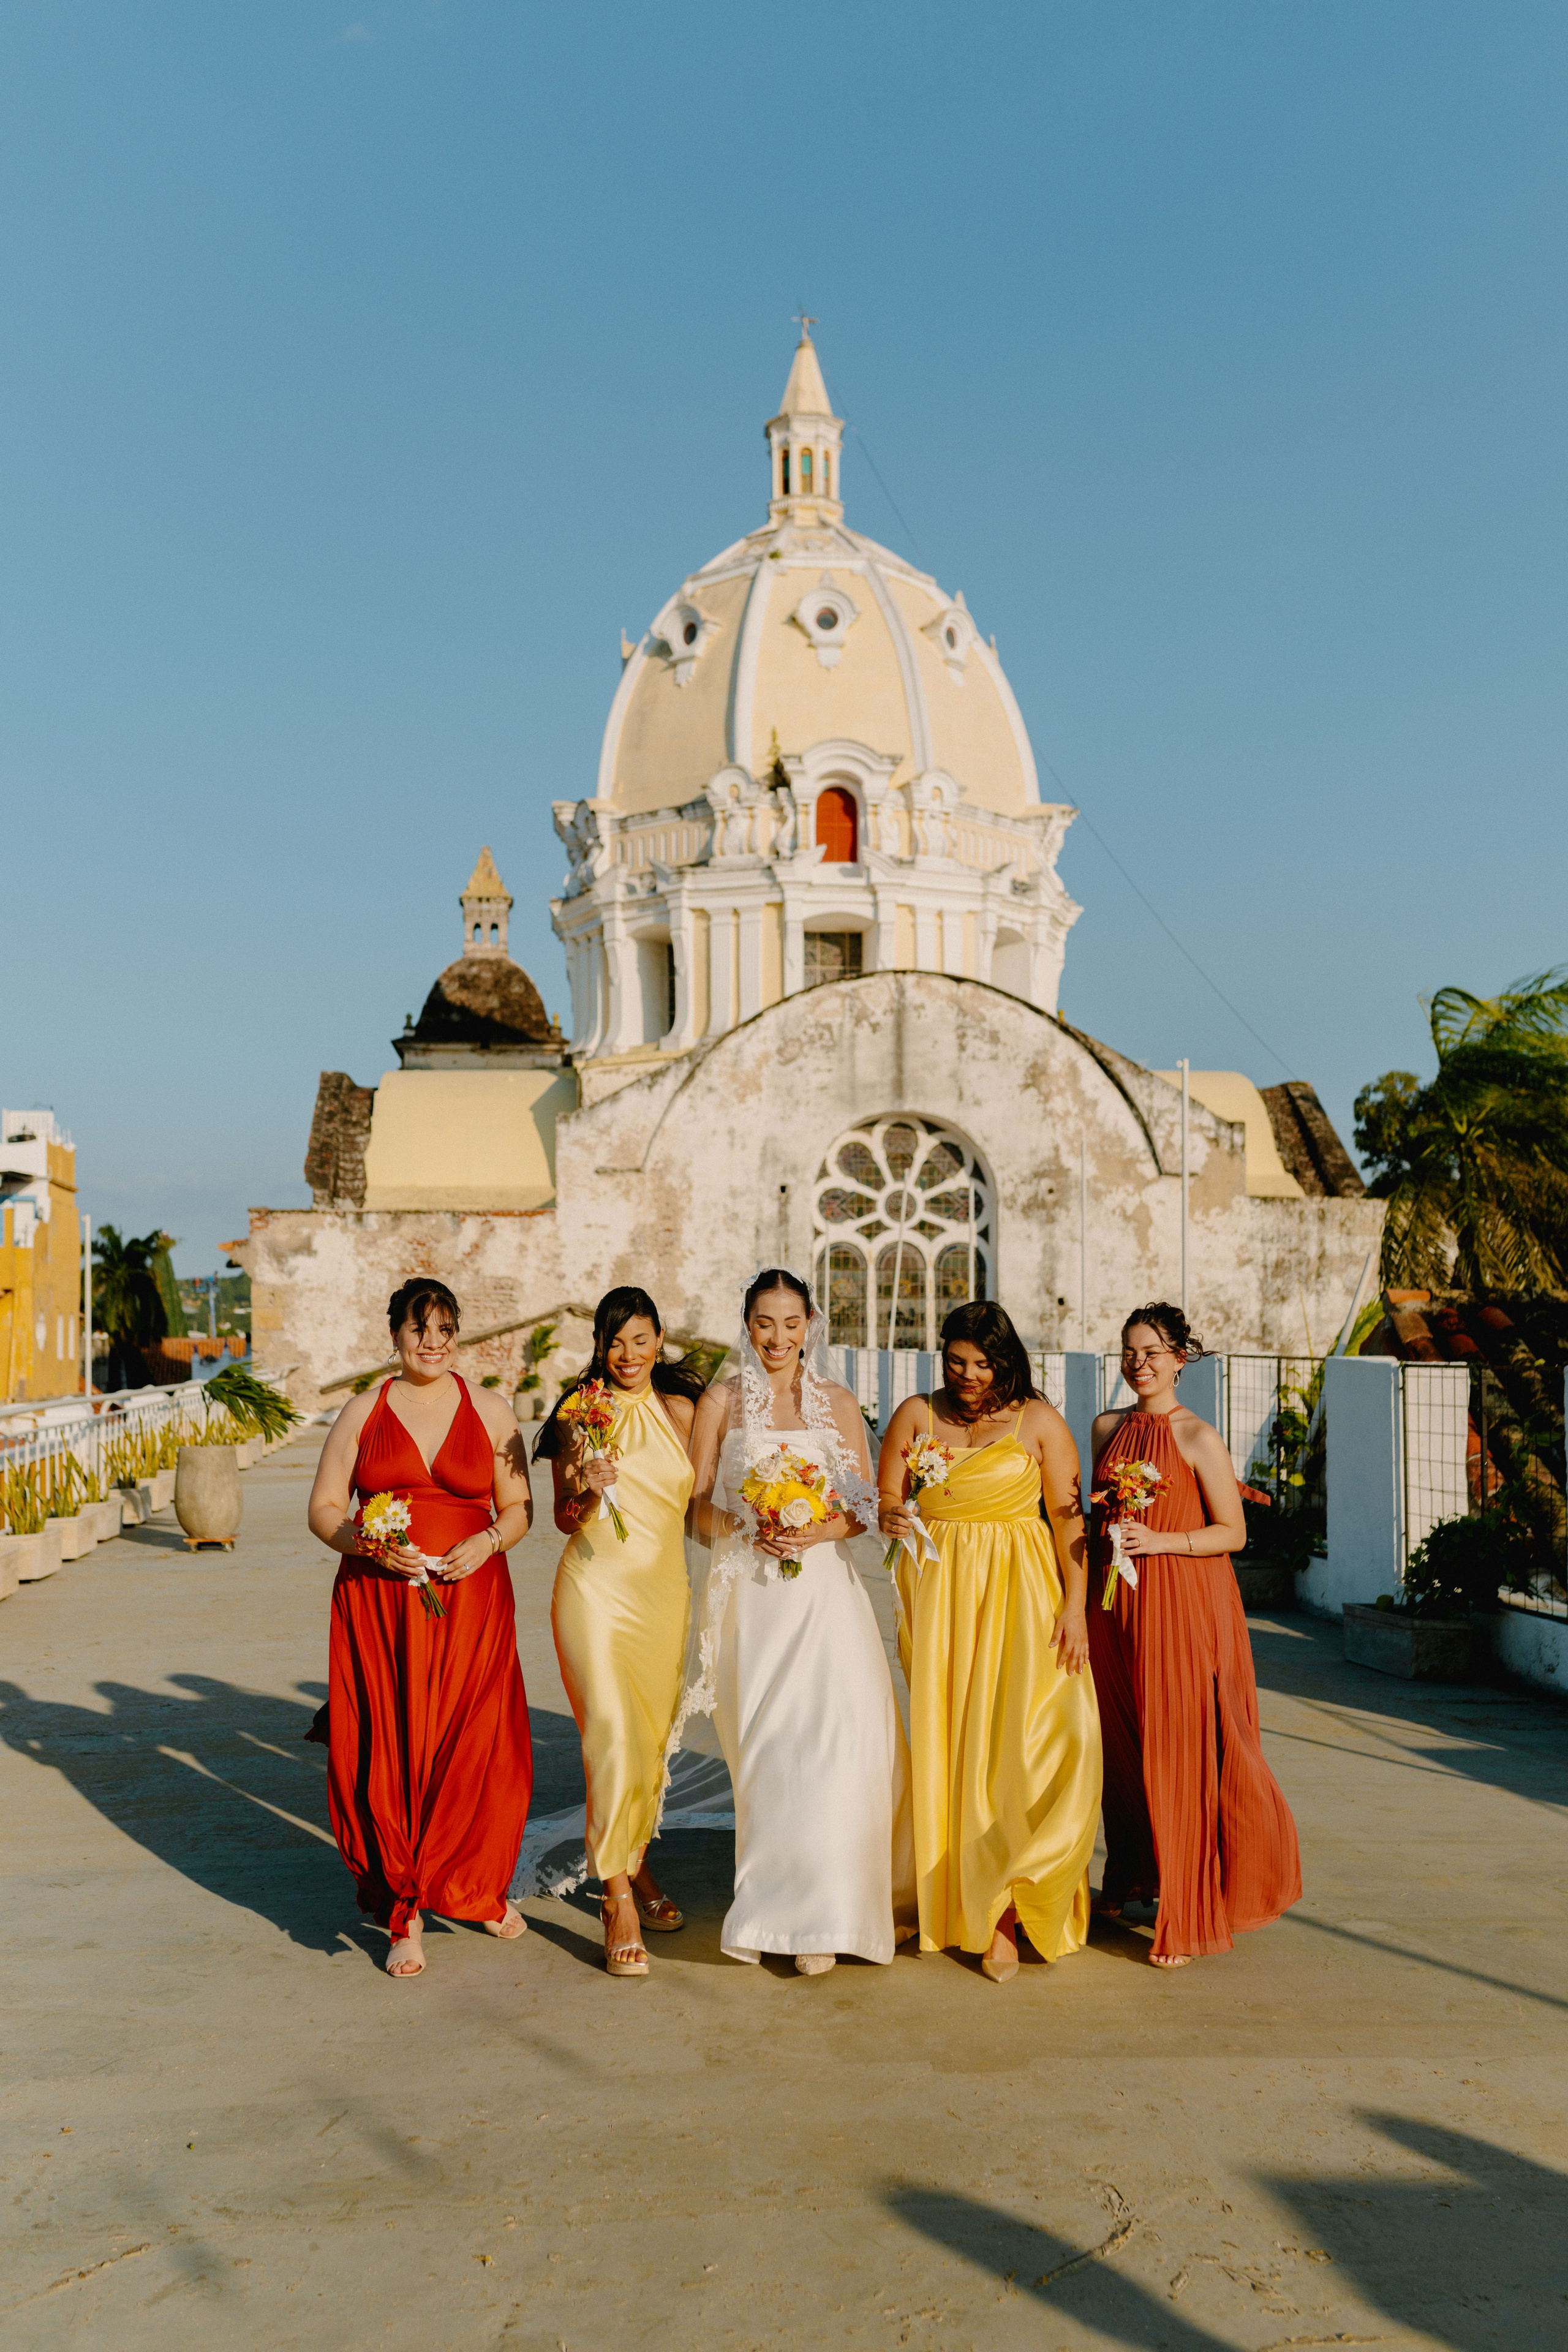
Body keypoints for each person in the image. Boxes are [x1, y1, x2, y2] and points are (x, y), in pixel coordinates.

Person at [671, 1268, 916, 1974]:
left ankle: (829, 1918)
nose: (777, 1337)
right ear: (745, 1325)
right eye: (763, 1323)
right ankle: (775, 1914)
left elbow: (863, 1510)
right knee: (771, 1757)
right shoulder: (721, 1401)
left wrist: (814, 1531)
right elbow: (692, 1509)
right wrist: (745, 1524)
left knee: (840, 1744)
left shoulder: (836, 1403)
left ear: (809, 1324)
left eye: (790, 1323)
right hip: (753, 1595)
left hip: (823, 1596)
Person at [306, 1278, 535, 1978]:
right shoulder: (362, 1411)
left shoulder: (493, 1410)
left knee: (479, 1743)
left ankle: (473, 1888)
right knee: (398, 1745)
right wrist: (368, 1545)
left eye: (444, 1329)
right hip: (384, 1605)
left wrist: (490, 1541)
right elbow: (322, 1510)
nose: (432, 1343)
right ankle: (404, 1910)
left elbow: (520, 1506)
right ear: (395, 1335)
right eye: (418, 1329)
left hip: (473, 1600)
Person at [878, 1300, 1101, 1985]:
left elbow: (1070, 1523)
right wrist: (896, 1513)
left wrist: (1075, 1610)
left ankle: (1010, 1903)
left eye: (983, 1363)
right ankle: (964, 1904)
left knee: (1038, 1738)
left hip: (1024, 1591)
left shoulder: (1038, 1421)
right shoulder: (917, 1413)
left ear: (1006, 1361)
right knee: (955, 1744)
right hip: (940, 1592)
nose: (969, 1376)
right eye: (956, 1361)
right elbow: (885, 1494)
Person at [1088, 1302, 1302, 1966]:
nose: (1138, 1364)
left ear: (1181, 1359)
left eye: (1152, 1352)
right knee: (1121, 1746)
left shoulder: (1197, 1438)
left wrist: (1159, 1540)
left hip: (1183, 1603)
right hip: (1114, 1604)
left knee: (1182, 1750)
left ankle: (1188, 1907)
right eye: (1128, 1352)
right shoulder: (1105, 1427)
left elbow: (1232, 1533)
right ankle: (1131, 1872)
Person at [536, 1286, 702, 1979]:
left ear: (660, 1339)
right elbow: (563, 1517)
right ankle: (614, 1899)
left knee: (650, 1741)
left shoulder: (683, 1409)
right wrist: (591, 1490)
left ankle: (635, 1864)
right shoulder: (580, 1412)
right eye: (614, 1342)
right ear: (599, 1347)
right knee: (609, 1733)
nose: (627, 1355)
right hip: (594, 1592)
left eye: (640, 1340)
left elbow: (703, 1503)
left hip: (664, 1595)